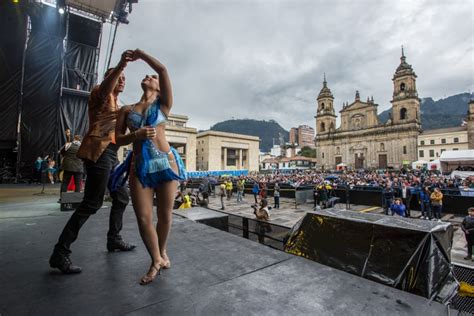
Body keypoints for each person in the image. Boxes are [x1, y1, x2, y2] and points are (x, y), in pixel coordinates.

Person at [49, 50, 136, 275]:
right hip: (98, 153)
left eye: (124, 79)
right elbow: (107, 86)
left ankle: (114, 239)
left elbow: (120, 134)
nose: (122, 80)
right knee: (91, 203)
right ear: (110, 78)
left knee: (122, 197)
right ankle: (60, 253)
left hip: (111, 154)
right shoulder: (99, 93)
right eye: (118, 77)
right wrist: (120, 66)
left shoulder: (118, 106)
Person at [114, 49, 186, 285]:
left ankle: (162, 252)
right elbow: (117, 140)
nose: (149, 75)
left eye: (152, 77)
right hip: (140, 165)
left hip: (166, 162)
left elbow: (162, 69)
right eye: (148, 75)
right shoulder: (127, 110)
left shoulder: (164, 106)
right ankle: (155, 260)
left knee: (165, 215)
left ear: (158, 87)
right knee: (144, 217)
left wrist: (140, 55)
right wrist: (137, 134)